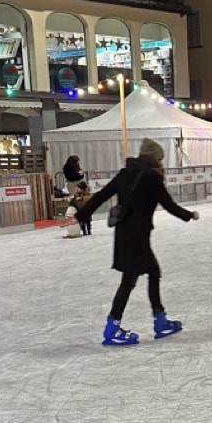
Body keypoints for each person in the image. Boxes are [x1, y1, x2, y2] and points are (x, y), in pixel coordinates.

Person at [75, 137, 199, 345]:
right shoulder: (152, 178)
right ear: (155, 159)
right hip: (137, 238)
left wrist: (82, 215)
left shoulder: (126, 174)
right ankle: (113, 328)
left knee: (151, 272)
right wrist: (190, 214)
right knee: (130, 280)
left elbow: (101, 196)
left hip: (125, 235)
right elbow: (169, 205)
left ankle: (160, 320)